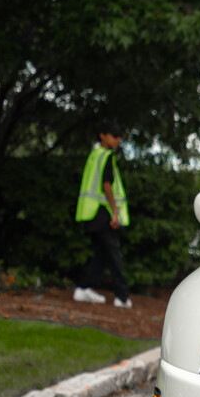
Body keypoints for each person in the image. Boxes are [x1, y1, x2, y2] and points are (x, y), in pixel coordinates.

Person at [73, 121, 132, 308]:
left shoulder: (94, 155)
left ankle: (84, 288)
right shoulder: (106, 156)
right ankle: (122, 297)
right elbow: (106, 185)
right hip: (102, 212)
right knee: (113, 253)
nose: (117, 141)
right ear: (103, 135)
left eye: (119, 138)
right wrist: (115, 212)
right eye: (114, 136)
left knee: (102, 254)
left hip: (91, 212)